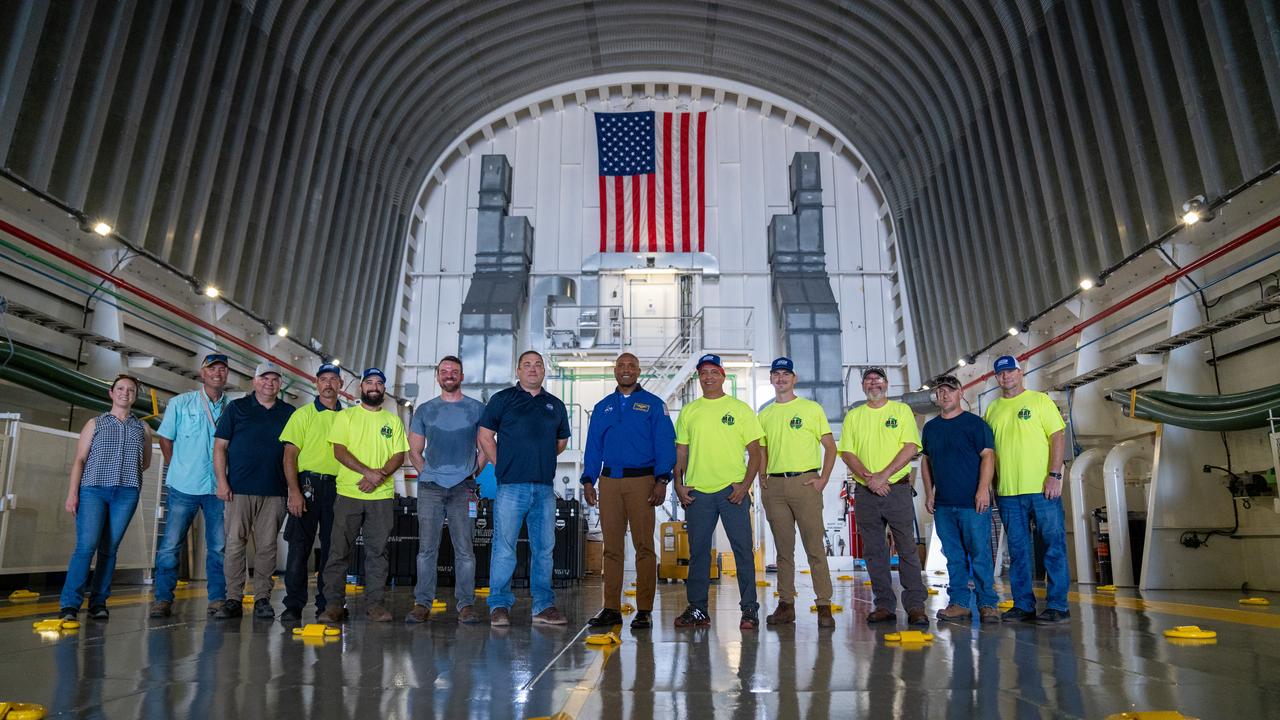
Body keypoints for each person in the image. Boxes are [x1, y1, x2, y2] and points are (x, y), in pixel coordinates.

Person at [581, 353, 675, 630]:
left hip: (642, 482)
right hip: (609, 483)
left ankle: (644, 610)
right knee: (612, 548)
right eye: (621, 366)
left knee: (644, 547)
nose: (626, 370)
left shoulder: (654, 406)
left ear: (638, 371)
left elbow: (665, 445)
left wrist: (662, 480)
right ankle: (610, 608)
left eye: (631, 366)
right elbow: (593, 447)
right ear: (614, 371)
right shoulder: (603, 407)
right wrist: (589, 480)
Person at [477, 350, 572, 627]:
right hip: (511, 487)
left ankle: (543, 606)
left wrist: (539, 457)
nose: (533, 369)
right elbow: (484, 436)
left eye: (538, 365)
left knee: (544, 549)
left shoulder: (555, 405)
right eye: (527, 365)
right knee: (504, 548)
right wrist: (502, 464)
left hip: (543, 489)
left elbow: (561, 441)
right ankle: (499, 605)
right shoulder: (502, 400)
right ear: (517, 371)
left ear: (544, 371)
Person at [673, 353, 764, 630]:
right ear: (698, 377)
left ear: (723, 376)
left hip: (731, 492)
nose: (708, 377)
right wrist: (678, 483)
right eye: (703, 373)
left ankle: (749, 610)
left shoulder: (740, 409)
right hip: (698, 493)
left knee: (742, 552)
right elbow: (682, 451)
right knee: (699, 552)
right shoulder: (690, 411)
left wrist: (745, 486)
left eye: (714, 372)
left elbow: (756, 452)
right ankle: (698, 609)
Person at [56, 374, 152, 621]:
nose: (125, 393)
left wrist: (126, 474)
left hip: (126, 492)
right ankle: (70, 605)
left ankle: (99, 602)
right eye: (120, 388)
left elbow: (145, 462)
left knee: (109, 549)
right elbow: (79, 459)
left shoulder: (143, 428)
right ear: (111, 393)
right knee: (86, 547)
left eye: (130, 390)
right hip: (93, 490)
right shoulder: (95, 423)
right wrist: (72, 493)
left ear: (135, 396)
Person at [837, 366, 928, 626]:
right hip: (866, 492)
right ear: (863, 387)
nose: (873, 383)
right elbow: (847, 453)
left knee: (907, 549)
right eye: (868, 380)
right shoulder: (854, 416)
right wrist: (869, 478)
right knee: (875, 552)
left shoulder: (901, 411)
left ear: (886, 384)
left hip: (896, 490)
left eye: (878, 379)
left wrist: (883, 476)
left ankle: (915, 606)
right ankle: (884, 605)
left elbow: (910, 446)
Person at [317, 368, 408, 623]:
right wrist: (368, 473)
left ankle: (375, 605)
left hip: (381, 497)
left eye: (379, 383)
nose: (374, 387)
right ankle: (334, 605)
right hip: (349, 493)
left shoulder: (392, 421)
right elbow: (339, 451)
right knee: (338, 552)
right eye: (369, 382)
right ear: (361, 388)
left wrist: (378, 477)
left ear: (384, 390)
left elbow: (399, 455)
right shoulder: (345, 417)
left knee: (377, 553)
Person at [983, 355, 1069, 625]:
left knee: (1053, 546)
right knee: (1018, 550)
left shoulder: (1039, 401)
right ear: (996, 378)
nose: (1006, 377)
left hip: (1042, 489)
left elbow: (1057, 436)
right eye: (1001, 374)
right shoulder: (992, 410)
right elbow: (990, 453)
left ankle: (1057, 605)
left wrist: (1054, 475)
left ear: (1020, 373)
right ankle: (1023, 605)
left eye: (1010, 371)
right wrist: (992, 485)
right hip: (1008, 492)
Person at [404, 355, 487, 625]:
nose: (449, 374)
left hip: (464, 488)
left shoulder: (476, 409)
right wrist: (426, 472)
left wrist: (475, 471)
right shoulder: (425, 410)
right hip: (431, 488)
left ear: (462, 376)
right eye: (444, 371)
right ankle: (422, 603)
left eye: (454, 371)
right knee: (427, 549)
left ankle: (465, 605)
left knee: (465, 550)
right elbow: (414, 450)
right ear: (437, 376)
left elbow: (486, 444)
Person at [756, 357, 838, 628]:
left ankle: (824, 605)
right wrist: (762, 478)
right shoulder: (764, 414)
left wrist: (823, 479)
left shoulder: (810, 409)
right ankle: (786, 604)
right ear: (771, 379)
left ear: (794, 378)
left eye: (786, 374)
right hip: (775, 487)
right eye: (776, 374)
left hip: (805, 483)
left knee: (815, 547)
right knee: (783, 550)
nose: (781, 378)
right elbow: (763, 451)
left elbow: (830, 446)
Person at [151, 353, 231, 618]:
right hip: (183, 487)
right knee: (171, 545)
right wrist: (178, 467)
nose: (217, 374)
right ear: (202, 373)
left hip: (218, 489)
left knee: (218, 547)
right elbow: (166, 439)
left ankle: (217, 598)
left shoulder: (234, 408)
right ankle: (162, 598)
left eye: (222, 369)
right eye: (212, 369)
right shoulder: (180, 403)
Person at [213, 362, 295, 619]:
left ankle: (262, 598)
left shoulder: (289, 413)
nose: (269, 383)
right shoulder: (236, 408)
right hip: (239, 489)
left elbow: (294, 453)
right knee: (235, 544)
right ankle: (233, 599)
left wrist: (293, 489)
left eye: (274, 379)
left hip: (275, 490)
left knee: (268, 547)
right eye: (264, 378)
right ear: (254, 381)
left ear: (280, 384)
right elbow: (220, 448)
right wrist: (222, 482)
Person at [920, 374, 999, 624]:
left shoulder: (975, 424)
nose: (945, 395)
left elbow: (988, 456)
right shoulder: (931, 428)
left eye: (950, 390)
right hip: (944, 505)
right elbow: (927, 461)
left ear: (960, 393)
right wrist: (929, 492)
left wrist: (983, 490)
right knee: (953, 556)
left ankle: (987, 604)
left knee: (980, 554)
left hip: (972, 503)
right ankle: (959, 603)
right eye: (940, 391)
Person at [278, 363, 344, 622]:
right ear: (316, 383)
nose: (328, 384)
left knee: (333, 549)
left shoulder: (348, 417)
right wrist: (293, 491)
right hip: (307, 486)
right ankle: (293, 605)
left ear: (340, 385)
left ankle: (327, 604)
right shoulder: (302, 415)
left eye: (333, 380)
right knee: (299, 547)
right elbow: (289, 456)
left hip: (339, 488)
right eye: (323, 379)